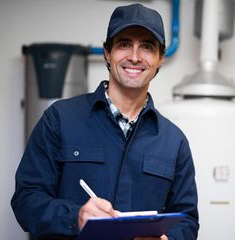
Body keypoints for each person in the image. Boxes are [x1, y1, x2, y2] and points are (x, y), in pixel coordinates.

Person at [11, 3, 199, 240]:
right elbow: (26, 199)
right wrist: (75, 217)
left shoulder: (174, 141)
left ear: (160, 58)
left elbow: (188, 220)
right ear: (107, 53)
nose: (134, 56)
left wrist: (168, 239)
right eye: (124, 44)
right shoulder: (60, 118)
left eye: (147, 47)